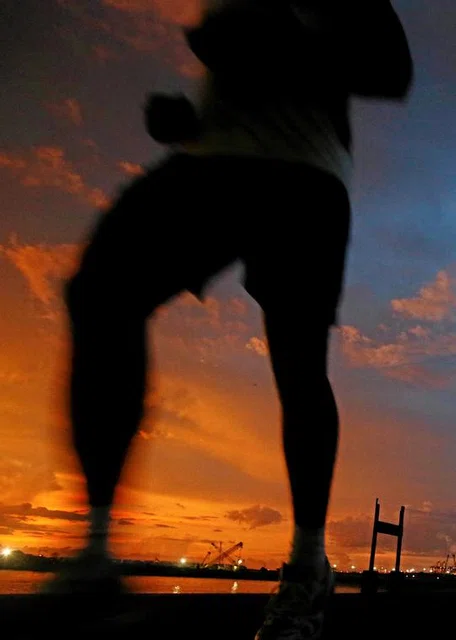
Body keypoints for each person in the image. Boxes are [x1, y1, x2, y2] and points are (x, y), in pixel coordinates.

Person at [43, 2, 413, 639]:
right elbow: (240, 83)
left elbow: (392, 69)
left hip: (304, 177)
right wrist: (191, 120)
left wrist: (271, 45)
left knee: (297, 366)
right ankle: (96, 550)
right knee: (101, 292)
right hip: (212, 161)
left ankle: (305, 565)